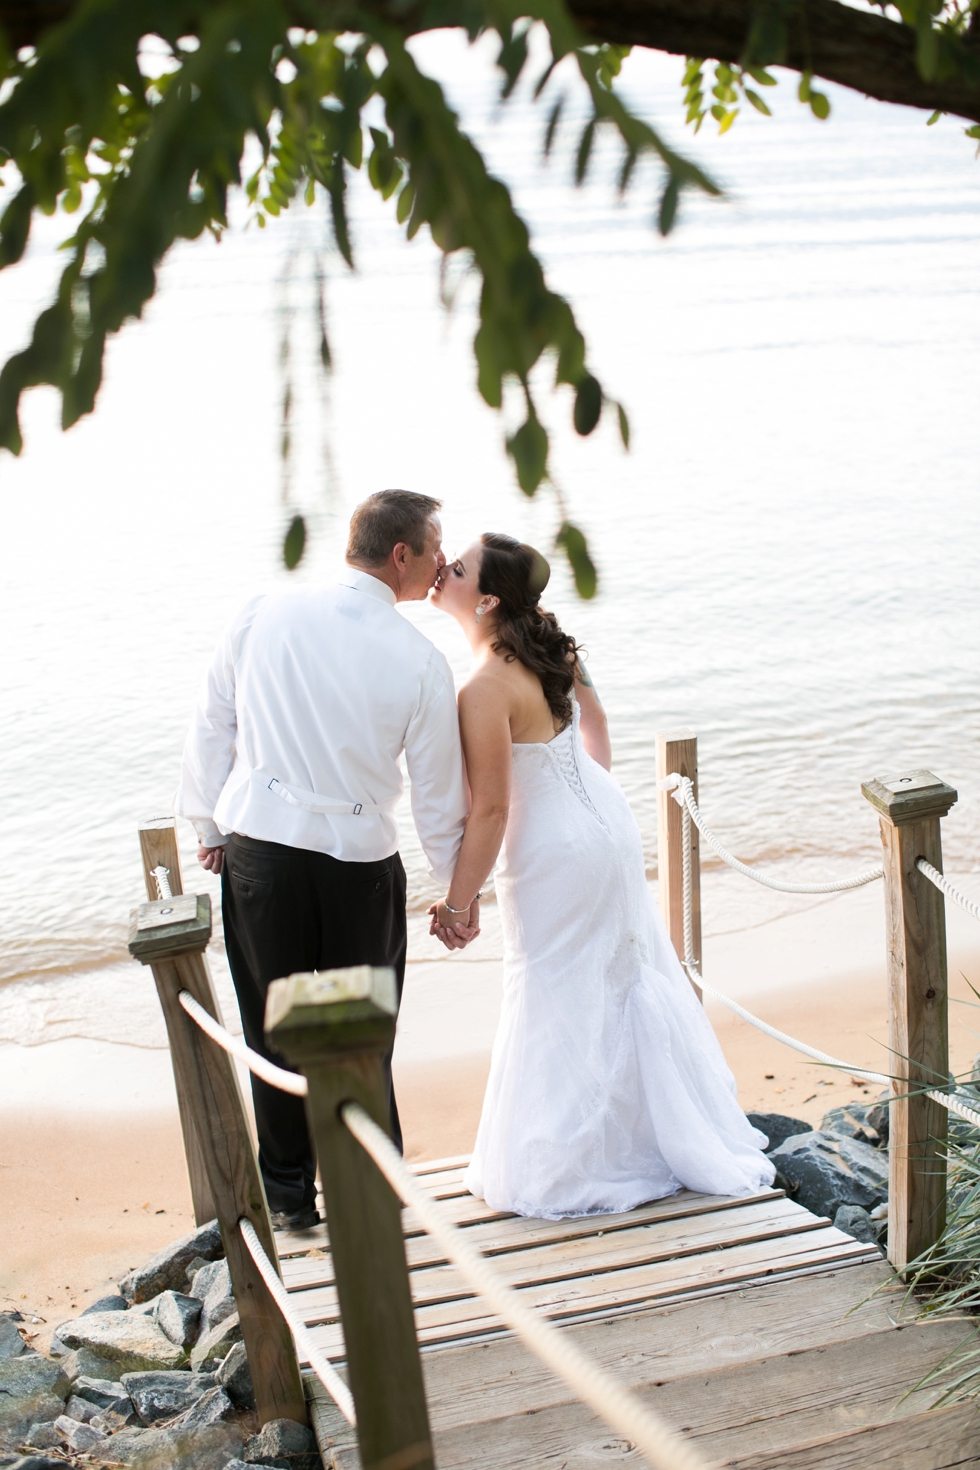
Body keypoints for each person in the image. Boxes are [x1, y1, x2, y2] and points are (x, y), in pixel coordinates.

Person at [429, 532, 775, 1220]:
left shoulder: (482, 687)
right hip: (605, 825)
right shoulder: (555, 649)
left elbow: (493, 808)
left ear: (489, 597)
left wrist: (457, 899)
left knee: (553, 989)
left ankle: (573, 1160)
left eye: (459, 568)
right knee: (618, 975)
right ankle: (646, 1134)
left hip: (551, 851)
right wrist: (589, 805)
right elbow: (598, 724)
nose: (445, 570)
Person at [175, 490, 473, 1230]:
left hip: (261, 859)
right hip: (357, 869)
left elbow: (213, 718)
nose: (441, 563)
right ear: (401, 555)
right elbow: (438, 799)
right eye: (435, 549)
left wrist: (206, 823)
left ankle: (287, 1198)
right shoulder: (421, 660)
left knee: (270, 1031)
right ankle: (371, 1190)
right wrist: (456, 896)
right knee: (362, 1039)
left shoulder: (261, 610)